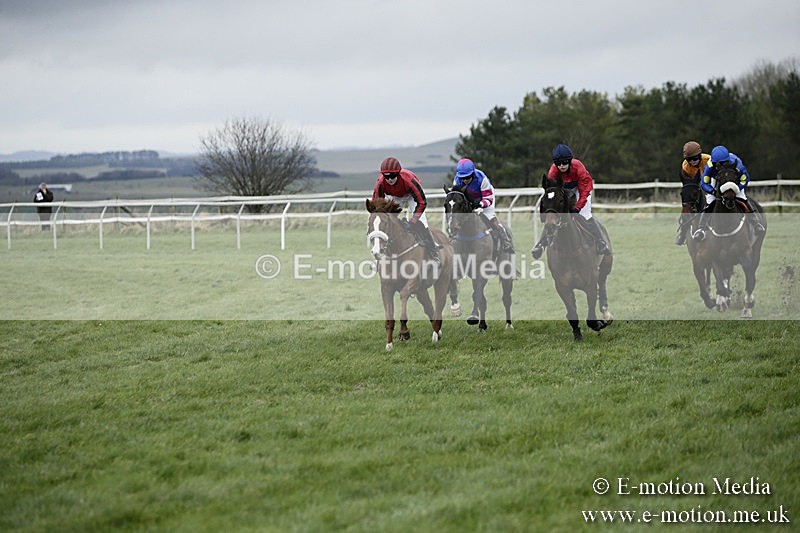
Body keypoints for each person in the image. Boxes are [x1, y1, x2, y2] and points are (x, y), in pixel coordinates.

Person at [531, 144, 611, 259]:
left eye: (564, 162)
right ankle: (541, 244)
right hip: (564, 189)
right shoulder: (553, 171)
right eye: (558, 163)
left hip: (581, 188)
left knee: (585, 214)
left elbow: (584, 192)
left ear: (569, 161)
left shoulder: (578, 167)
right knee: (552, 215)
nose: (561, 166)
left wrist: (577, 207)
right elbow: (552, 191)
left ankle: (601, 242)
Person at [373, 156, 441, 264]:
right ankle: (379, 255)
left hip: (411, 196)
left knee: (422, 221)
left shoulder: (409, 180)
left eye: (392, 176)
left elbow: (422, 202)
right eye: (386, 176)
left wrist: (413, 220)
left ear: (398, 173)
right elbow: (377, 204)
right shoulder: (380, 183)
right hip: (395, 196)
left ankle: (434, 253)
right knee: (387, 221)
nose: (389, 179)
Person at [692, 145, 766, 241]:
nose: (719, 166)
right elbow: (704, 183)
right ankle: (701, 229)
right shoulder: (709, 166)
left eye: (722, 163)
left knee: (742, 198)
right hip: (717, 179)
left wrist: (737, 189)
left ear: (727, 161)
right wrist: (713, 191)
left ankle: (756, 223)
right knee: (710, 201)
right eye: (717, 164)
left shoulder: (737, 165)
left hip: (734, 178)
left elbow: (745, 179)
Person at [452, 158, 514, 252]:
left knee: (490, 216)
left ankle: (506, 241)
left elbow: (488, 199)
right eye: (462, 178)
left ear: (472, 174)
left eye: (467, 177)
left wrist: (480, 204)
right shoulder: (457, 180)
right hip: (469, 199)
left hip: (484, 197)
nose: (465, 180)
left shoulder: (482, 179)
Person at [674, 141, 711, 245]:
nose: (692, 161)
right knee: (688, 205)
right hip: (696, 185)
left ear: (700, 155)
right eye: (689, 159)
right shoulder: (685, 166)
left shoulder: (709, 160)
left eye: (695, 158)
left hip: (711, 183)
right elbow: (689, 183)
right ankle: (683, 232)